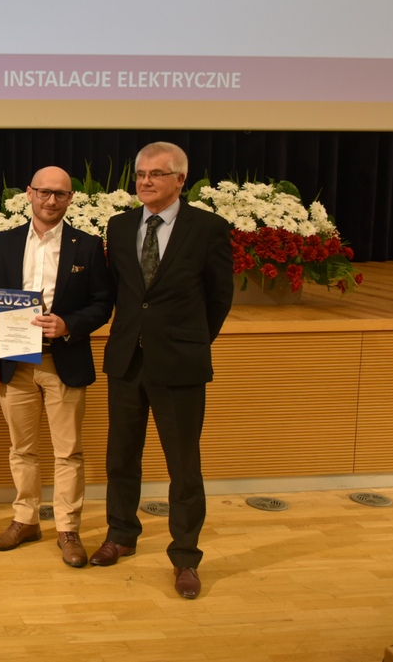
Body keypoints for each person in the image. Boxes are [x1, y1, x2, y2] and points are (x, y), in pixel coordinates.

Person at [95, 142, 234, 598]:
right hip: (126, 361)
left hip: (179, 364)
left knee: (184, 466)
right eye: (140, 174)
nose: (145, 181)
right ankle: (120, 535)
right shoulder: (119, 226)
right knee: (121, 458)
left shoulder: (208, 228)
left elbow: (219, 298)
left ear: (180, 180)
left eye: (156, 174)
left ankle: (186, 557)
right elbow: (120, 291)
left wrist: (189, 342)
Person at [0, 166, 113, 567]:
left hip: (63, 360)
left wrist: (69, 324)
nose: (51, 200)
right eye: (43, 192)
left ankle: (68, 528)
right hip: (14, 362)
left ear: (70, 199)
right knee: (22, 449)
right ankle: (26, 521)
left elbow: (103, 303)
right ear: (29, 194)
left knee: (68, 452)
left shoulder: (88, 246)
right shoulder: (4, 243)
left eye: (60, 194)